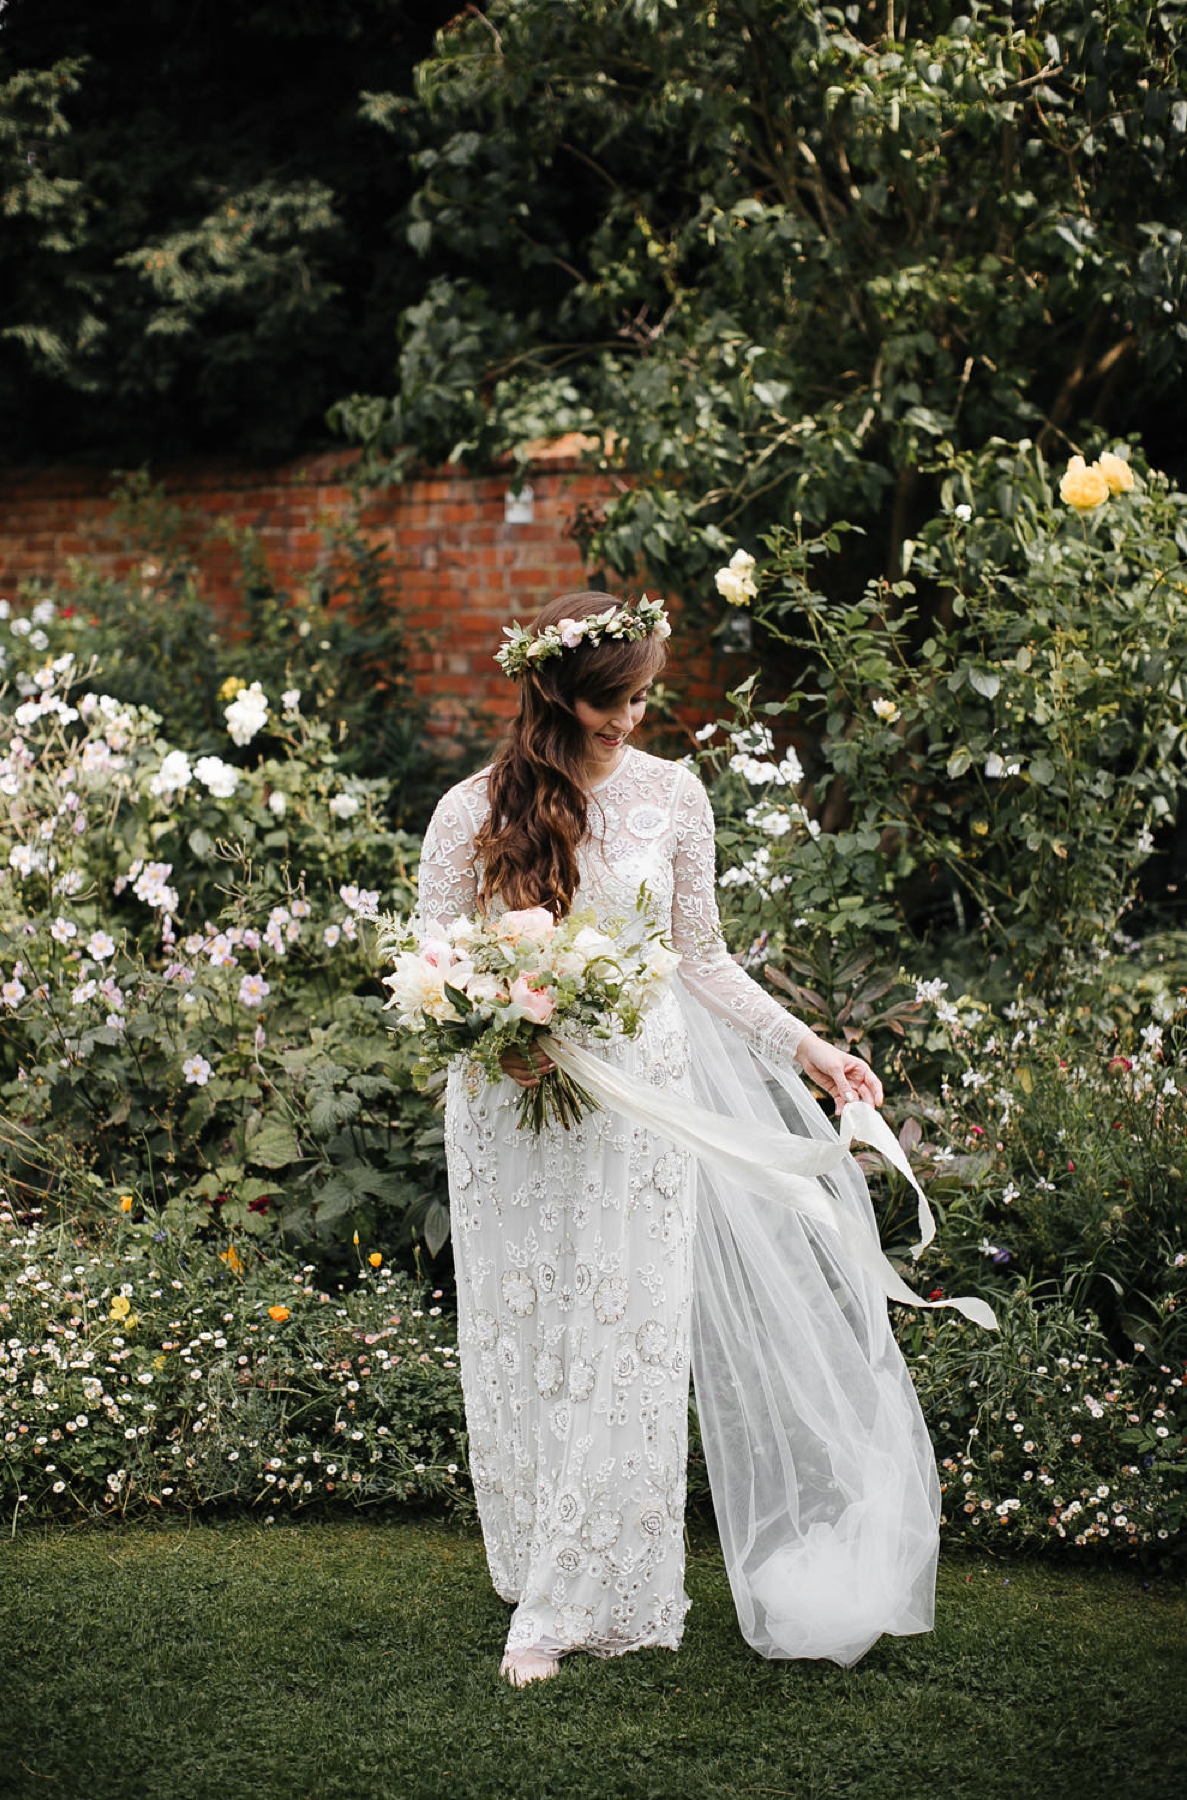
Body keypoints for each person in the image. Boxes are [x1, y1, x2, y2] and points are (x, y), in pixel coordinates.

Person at [417, 590, 942, 1688]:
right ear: (558, 691)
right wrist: (489, 1036)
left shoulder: (674, 799)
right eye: (616, 701)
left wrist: (814, 1051)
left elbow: (701, 959)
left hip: (641, 1114)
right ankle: (541, 1563)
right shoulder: (472, 812)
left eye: (645, 697)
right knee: (530, 1339)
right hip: (514, 1114)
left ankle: (578, 1598)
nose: (634, 720)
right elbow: (434, 968)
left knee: (624, 1339)